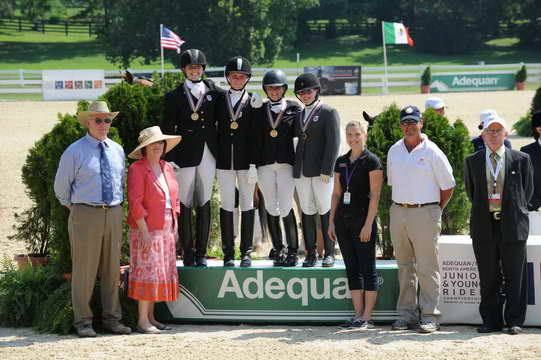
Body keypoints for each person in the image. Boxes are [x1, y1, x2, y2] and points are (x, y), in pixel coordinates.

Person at [54, 101, 131, 337]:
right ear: (88, 122)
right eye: (98, 120)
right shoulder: (74, 151)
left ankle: (112, 320)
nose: (103, 124)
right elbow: (61, 188)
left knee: (111, 269)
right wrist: (78, 209)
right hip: (85, 213)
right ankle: (83, 322)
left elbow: (121, 182)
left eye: (107, 120)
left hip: (114, 212)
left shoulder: (117, 150)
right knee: (84, 270)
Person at [387, 105, 455, 333]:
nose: (409, 126)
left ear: (421, 123)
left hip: (425, 212)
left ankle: (429, 316)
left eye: (413, 122)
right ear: (400, 126)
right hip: (399, 212)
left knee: (427, 266)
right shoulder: (394, 150)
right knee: (405, 266)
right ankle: (406, 315)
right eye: (405, 123)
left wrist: (434, 210)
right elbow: (392, 183)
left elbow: (448, 186)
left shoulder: (432, 151)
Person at [464, 115, 534, 335]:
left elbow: (527, 190)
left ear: (506, 133)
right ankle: (491, 321)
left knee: (516, 276)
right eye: (489, 131)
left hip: (513, 226)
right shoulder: (472, 161)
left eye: (498, 130)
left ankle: (514, 320)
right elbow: (471, 192)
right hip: (484, 226)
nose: (494, 135)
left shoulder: (521, 159)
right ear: (483, 135)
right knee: (488, 276)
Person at [161, 49, 221, 267]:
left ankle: (202, 252)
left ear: (203, 69)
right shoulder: (173, 96)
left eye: (198, 67)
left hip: (208, 152)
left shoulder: (214, 92)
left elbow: (235, 96)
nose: (195, 71)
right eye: (191, 67)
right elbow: (168, 128)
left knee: (204, 200)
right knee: (185, 201)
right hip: (183, 154)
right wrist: (170, 157)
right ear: (183, 70)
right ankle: (187, 251)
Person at [328, 120, 383, 329]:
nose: (353, 138)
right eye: (349, 135)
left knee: (367, 268)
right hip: (342, 221)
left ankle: (368, 316)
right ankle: (357, 314)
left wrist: (369, 224)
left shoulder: (372, 161)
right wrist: (331, 222)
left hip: (363, 222)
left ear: (364, 135)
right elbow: (336, 194)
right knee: (351, 268)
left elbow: (375, 197)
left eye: (357, 134)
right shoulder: (341, 161)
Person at [127, 126, 181, 334]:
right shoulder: (137, 169)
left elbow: (173, 199)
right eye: (153, 144)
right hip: (147, 228)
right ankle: (142, 320)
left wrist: (174, 225)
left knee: (158, 273)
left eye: (160, 143)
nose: (157, 146)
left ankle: (151, 316)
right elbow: (135, 202)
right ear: (145, 148)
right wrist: (144, 231)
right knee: (147, 271)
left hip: (166, 227)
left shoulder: (166, 166)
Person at [216, 56, 262, 267]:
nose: (237, 79)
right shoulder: (219, 98)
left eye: (241, 76)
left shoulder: (254, 101)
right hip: (224, 160)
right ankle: (227, 252)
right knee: (226, 204)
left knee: (247, 203)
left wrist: (255, 163)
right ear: (228, 77)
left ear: (247, 79)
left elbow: (256, 135)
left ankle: (246, 252)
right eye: (234, 76)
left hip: (246, 161)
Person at [254, 69, 301, 267]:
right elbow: (253, 139)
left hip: (285, 165)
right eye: (271, 88)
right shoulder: (259, 109)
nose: (274, 91)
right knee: (271, 206)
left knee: (286, 205)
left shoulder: (293, 108)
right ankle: (278, 248)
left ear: (284, 89)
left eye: (278, 88)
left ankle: (292, 250)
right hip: (265, 165)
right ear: (266, 90)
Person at [293, 73, 340, 268]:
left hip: (321, 172)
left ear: (316, 91)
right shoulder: (299, 115)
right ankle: (311, 253)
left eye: (308, 91)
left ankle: (329, 252)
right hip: (302, 171)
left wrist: (327, 169)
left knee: (325, 211)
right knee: (307, 211)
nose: (305, 95)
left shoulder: (328, 112)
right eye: (301, 92)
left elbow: (333, 142)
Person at [519, 112, 541, 211]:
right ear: (537, 128)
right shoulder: (526, 152)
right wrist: (535, 204)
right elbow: (522, 181)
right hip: (535, 209)